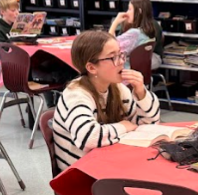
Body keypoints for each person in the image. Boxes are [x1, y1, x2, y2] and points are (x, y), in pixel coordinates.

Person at [52, 30, 161, 171]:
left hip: (110, 162)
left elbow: (149, 126)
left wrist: (141, 93)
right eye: (113, 57)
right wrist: (124, 126)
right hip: (82, 174)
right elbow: (88, 137)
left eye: (121, 54)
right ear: (91, 67)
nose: (122, 61)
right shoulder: (76, 95)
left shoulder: (118, 88)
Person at [109, 0, 163, 69]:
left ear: (139, 11)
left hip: (126, 72)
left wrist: (115, 22)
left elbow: (109, 46)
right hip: (141, 68)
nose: (127, 12)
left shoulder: (134, 33)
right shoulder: (150, 29)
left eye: (130, 9)